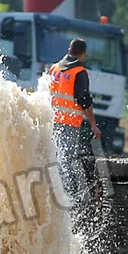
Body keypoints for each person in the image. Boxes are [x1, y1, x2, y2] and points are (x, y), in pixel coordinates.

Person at [48, 38, 101, 201]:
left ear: (69, 50)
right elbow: (84, 99)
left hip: (51, 121)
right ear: (83, 54)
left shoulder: (54, 68)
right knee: (67, 161)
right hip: (69, 123)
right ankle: (67, 196)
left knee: (54, 156)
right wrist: (93, 124)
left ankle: (52, 190)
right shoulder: (79, 72)